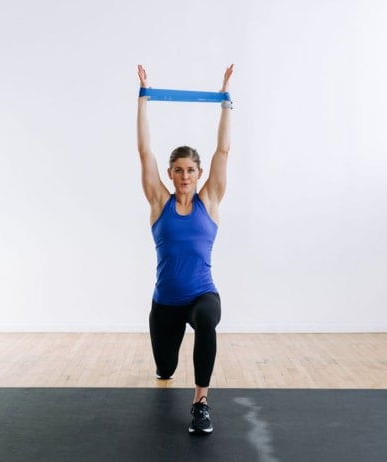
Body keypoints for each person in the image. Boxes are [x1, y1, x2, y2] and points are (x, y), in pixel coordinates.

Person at [136, 64, 233, 434]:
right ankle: (166, 366)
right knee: (165, 368)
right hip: (166, 303)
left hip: (201, 294)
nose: (184, 176)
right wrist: (144, 97)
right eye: (177, 170)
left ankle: (201, 403)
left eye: (191, 170)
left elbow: (223, 150)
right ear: (170, 175)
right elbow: (144, 150)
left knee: (207, 320)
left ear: (198, 173)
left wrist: (225, 101)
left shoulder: (209, 202)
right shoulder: (159, 203)